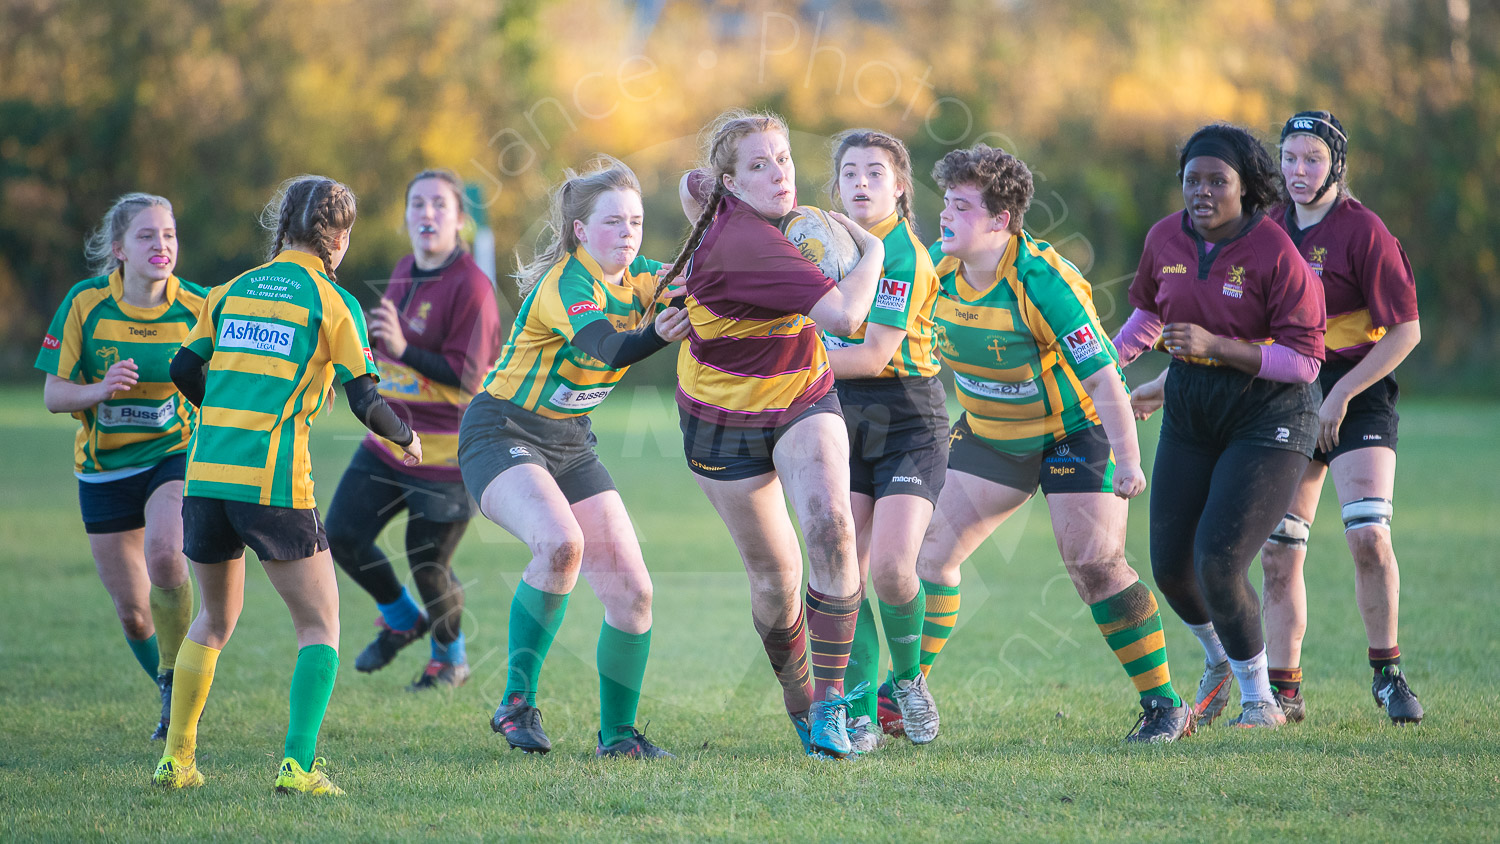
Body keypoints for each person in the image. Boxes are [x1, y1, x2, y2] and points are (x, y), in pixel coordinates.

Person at [908, 144, 1193, 743]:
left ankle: (1165, 705)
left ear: (1000, 221)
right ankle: (904, 694)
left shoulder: (1041, 281)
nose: (946, 216)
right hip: (991, 436)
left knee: (1094, 565)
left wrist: (1129, 460)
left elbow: (1102, 377)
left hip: (1075, 432)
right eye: (947, 203)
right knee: (928, 557)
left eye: (961, 206)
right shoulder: (933, 265)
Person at [154, 175, 422, 794]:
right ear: (340, 237)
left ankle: (178, 759)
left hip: (204, 479)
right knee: (319, 625)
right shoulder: (332, 302)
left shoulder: (229, 291)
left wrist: (227, 410)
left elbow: (182, 368)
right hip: (272, 485)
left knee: (214, 622)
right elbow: (366, 399)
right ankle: (298, 767)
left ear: (284, 225)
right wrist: (405, 437)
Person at [665, 109, 886, 759]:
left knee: (832, 529)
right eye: (758, 166)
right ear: (731, 185)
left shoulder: (723, 201)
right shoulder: (749, 243)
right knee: (774, 577)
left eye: (782, 159)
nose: (778, 174)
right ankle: (800, 704)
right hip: (721, 419)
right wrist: (871, 250)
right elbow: (847, 313)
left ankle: (829, 709)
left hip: (799, 394)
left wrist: (725, 172)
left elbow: (687, 182)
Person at [459, 158, 689, 759]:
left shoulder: (642, 277)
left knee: (634, 594)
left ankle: (618, 737)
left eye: (636, 222)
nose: (628, 234)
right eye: (614, 222)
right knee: (560, 544)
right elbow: (606, 347)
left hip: (569, 442)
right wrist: (658, 336)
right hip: (500, 430)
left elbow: (705, 285)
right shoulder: (569, 283)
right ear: (581, 231)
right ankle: (516, 703)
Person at [1115, 124, 1326, 729]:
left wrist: (1217, 345)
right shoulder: (1164, 237)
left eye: (1218, 181)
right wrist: (1101, 362)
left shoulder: (1274, 252)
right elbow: (1147, 318)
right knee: (1171, 567)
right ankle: (1217, 661)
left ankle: (1261, 701)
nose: (1202, 191)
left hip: (1271, 413)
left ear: (1245, 188)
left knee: (1218, 559)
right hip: (1191, 407)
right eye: (1192, 180)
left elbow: (1305, 362)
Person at [1258, 111, 1423, 724]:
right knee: (1279, 552)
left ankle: (1387, 673)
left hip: (1358, 393)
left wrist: (1342, 394)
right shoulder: (1268, 228)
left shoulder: (1364, 231)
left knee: (1369, 539)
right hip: (1289, 395)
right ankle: (1284, 692)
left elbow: (1405, 329)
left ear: (1336, 167)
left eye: (1312, 160)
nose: (1298, 172)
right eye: (1290, 158)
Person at [36, 193, 204, 740]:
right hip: (104, 469)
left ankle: (180, 683)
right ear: (119, 250)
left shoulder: (199, 306)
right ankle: (167, 684)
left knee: (165, 555)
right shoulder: (85, 304)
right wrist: (100, 389)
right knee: (133, 615)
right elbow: (54, 395)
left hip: (171, 455)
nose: (162, 246)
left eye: (169, 235)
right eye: (147, 236)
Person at [326, 168, 501, 691]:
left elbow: (469, 379)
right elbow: (389, 353)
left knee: (429, 564)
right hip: (388, 441)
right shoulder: (404, 268)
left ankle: (450, 658)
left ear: (460, 222)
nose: (427, 214)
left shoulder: (472, 286)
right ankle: (403, 618)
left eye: (439, 205)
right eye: (417, 204)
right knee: (342, 536)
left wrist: (402, 351)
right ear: (405, 217)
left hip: (447, 455)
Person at [818, 130, 947, 752]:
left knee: (894, 571)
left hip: (908, 418)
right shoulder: (819, 248)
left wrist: (780, 357)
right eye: (849, 173)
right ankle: (862, 710)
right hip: (840, 416)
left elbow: (871, 355)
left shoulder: (906, 255)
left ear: (900, 186)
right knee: (844, 571)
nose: (861, 183)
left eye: (875, 172)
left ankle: (908, 681)